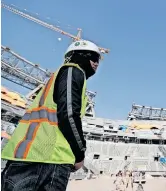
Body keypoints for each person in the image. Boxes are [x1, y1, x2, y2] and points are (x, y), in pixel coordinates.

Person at [1, 40, 102, 191]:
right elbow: (68, 115)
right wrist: (79, 154)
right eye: (93, 58)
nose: (96, 63)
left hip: (30, 157)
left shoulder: (57, 79)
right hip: (48, 159)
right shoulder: (73, 70)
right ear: (80, 56)